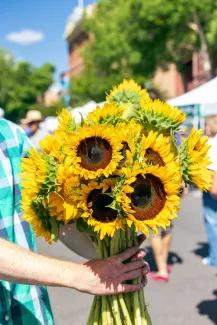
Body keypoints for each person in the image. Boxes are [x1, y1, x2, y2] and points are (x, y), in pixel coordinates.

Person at [0, 118, 149, 324]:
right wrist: (81, 275)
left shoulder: (12, 135)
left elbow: (56, 210)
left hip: (29, 310)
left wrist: (118, 249)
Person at [202, 116, 217, 268]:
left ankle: (214, 258)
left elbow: (214, 167)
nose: (205, 128)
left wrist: (213, 187)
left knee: (212, 223)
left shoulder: (212, 143)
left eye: (207, 125)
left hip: (212, 186)